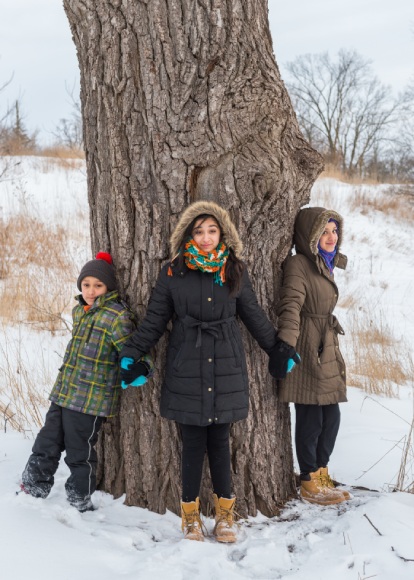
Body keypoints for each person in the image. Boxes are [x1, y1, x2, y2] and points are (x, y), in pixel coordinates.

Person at [119, 201, 277, 543]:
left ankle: (225, 517)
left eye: (212, 231)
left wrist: (278, 349)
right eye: (199, 231)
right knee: (190, 443)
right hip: (186, 367)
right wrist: (132, 353)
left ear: (223, 234)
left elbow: (253, 316)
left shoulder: (235, 270)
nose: (206, 238)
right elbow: (154, 321)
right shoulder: (174, 272)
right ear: (188, 235)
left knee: (220, 442)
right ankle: (190, 518)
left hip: (225, 366)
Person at [20, 252, 153, 512]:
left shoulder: (117, 317)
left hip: (91, 400)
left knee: (79, 451)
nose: (91, 291)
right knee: (46, 441)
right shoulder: (80, 312)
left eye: (98, 285)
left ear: (109, 287)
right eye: (86, 285)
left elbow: (133, 348)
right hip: (64, 392)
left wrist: (140, 367)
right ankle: (33, 486)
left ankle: (79, 497)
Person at [269, 207, 351, 505]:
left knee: (331, 416)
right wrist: (285, 345)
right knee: (310, 415)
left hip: (325, 345)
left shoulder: (325, 263)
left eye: (334, 231)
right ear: (309, 236)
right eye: (324, 232)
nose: (331, 237)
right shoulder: (299, 264)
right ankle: (308, 480)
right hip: (306, 346)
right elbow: (290, 306)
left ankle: (321, 473)